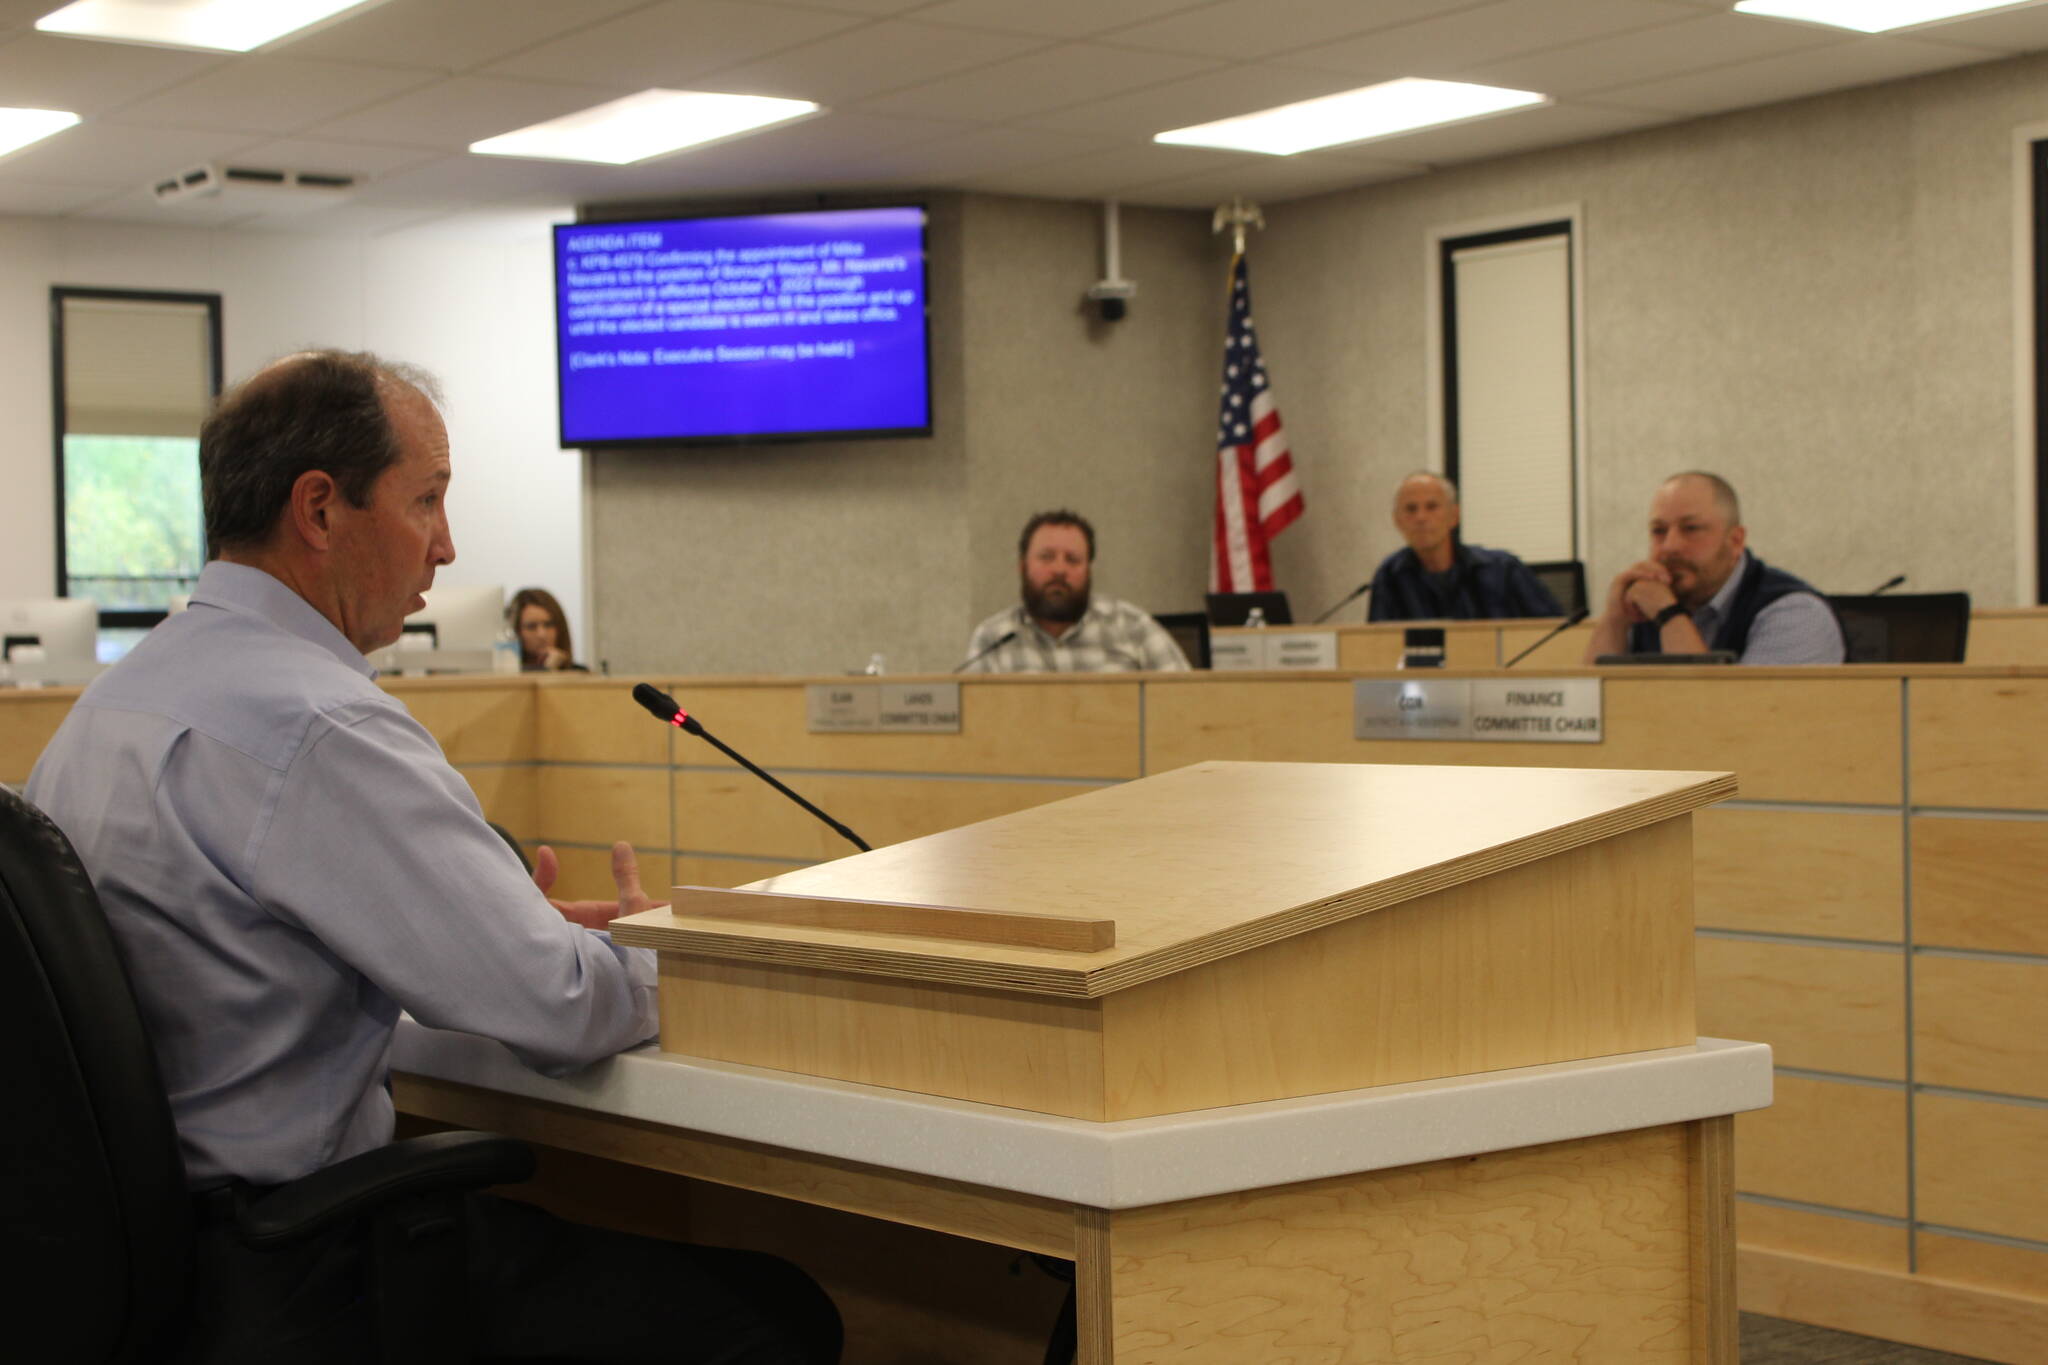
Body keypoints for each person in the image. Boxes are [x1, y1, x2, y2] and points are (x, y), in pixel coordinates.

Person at [25, 351, 839, 1365]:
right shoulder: (321, 724)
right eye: (427, 501)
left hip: (135, 1275)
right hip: (300, 1278)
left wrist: (491, 929)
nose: (446, 548)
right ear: (319, 510)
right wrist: (659, 952)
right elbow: (558, 1010)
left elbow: (233, 957)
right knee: (771, 1316)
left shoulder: (116, 703)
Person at [1583, 470, 1844, 665]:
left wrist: (1669, 617)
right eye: (1658, 531)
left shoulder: (1795, 614)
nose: (1670, 546)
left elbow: (1728, 720)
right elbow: (1587, 709)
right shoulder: (1646, 603)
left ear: (1735, 541)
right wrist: (1615, 618)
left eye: (1691, 529)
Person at [961, 509, 1190, 672]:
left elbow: (1187, 705)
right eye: (1046, 557)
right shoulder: (993, 638)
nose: (1059, 569)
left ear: (1088, 570)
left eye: (1072, 560)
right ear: (1022, 567)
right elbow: (974, 729)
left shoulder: (1133, 628)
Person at [1366, 472, 1562, 621]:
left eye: (1432, 507)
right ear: (1397, 521)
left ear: (1454, 516)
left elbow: (1554, 632)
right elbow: (1380, 648)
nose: (1421, 517)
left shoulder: (1503, 569)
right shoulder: (1390, 576)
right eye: (1411, 509)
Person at [509, 585, 587, 672]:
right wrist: (548, 669)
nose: (542, 634)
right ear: (516, 631)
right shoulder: (508, 674)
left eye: (548, 625)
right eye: (531, 627)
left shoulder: (580, 673)